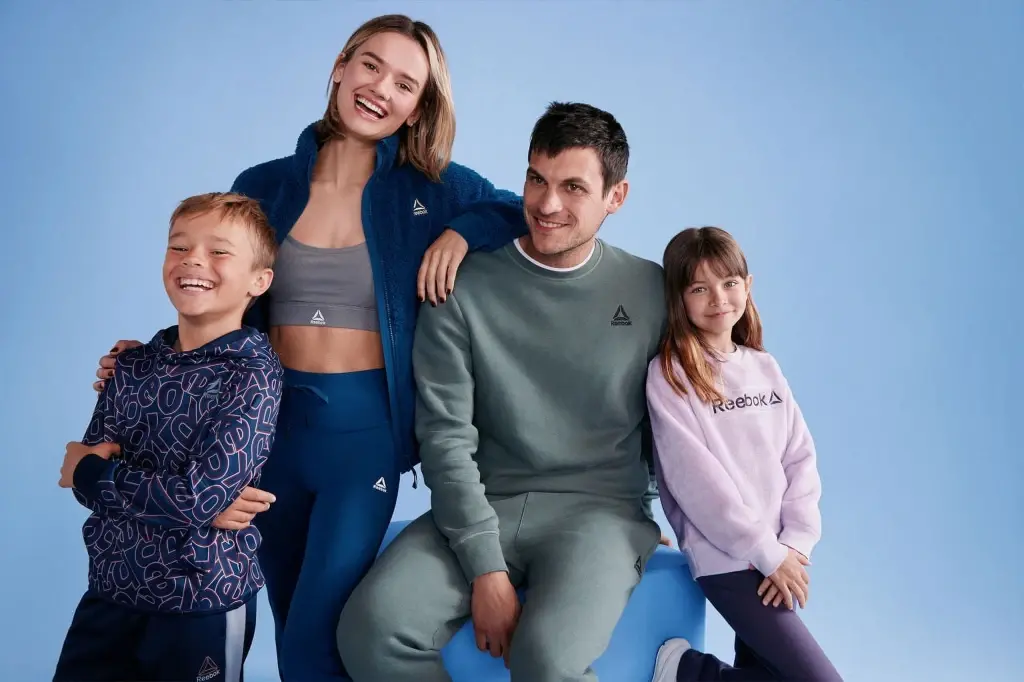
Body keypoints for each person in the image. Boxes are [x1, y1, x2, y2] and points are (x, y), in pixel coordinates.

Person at [90, 14, 528, 681]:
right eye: (371, 65)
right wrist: (154, 361)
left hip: (364, 446)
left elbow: (519, 210)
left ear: (416, 109)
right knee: (290, 625)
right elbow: (218, 289)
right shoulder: (264, 185)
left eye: (405, 84)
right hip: (266, 437)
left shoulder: (432, 190)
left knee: (315, 638)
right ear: (341, 67)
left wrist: (460, 233)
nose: (380, 88)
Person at [336, 101, 670, 682]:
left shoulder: (650, 290)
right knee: (371, 628)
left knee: (546, 659)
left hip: (602, 514)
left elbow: (693, 414)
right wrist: (485, 568)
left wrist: (678, 522)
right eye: (537, 179)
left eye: (573, 187)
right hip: (486, 502)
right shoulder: (459, 287)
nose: (547, 204)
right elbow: (444, 436)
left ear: (615, 196)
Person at [54, 193, 284, 682]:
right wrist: (98, 476)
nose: (193, 260)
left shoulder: (252, 374)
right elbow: (83, 488)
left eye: (219, 251)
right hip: (110, 591)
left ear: (259, 281)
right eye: (179, 247)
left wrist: (93, 471)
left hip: (200, 600)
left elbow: (190, 498)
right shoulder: (131, 365)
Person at [645, 226, 842, 681]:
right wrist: (765, 552)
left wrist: (795, 544)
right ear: (678, 298)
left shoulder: (763, 366)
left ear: (748, 286)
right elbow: (696, 482)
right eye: (699, 288)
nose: (718, 298)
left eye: (729, 283)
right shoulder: (671, 374)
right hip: (728, 559)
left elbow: (799, 459)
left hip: (779, 558)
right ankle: (687, 673)